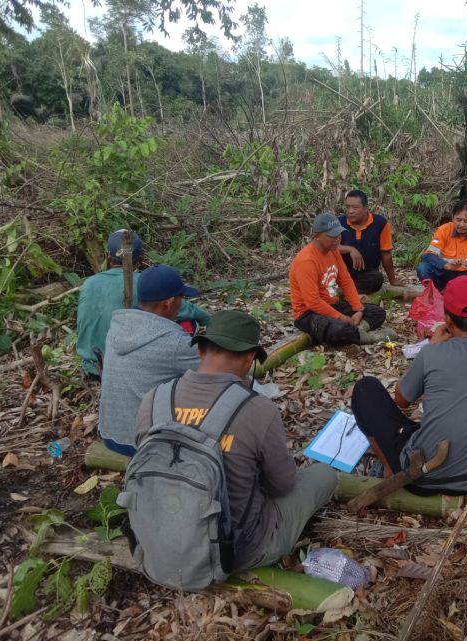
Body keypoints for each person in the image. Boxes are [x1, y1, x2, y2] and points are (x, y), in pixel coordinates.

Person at [135, 310, 337, 570]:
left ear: (200, 351)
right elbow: (283, 485)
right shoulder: (257, 409)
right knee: (325, 474)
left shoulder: (153, 399)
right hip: (236, 552)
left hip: (161, 541)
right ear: (250, 358)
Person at [350, 275, 467, 494]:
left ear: (447, 320)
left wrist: (431, 346)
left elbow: (401, 400)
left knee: (365, 389)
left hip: (424, 476)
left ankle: (390, 470)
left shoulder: (433, 353)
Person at [99, 264, 202, 456]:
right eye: (181, 298)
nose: (182, 303)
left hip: (111, 435)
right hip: (146, 443)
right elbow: (218, 369)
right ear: (169, 302)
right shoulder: (175, 343)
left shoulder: (117, 328)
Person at [77, 229, 210, 378]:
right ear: (140, 258)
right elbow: (191, 311)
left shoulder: (89, 283)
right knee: (189, 322)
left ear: (107, 256)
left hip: (91, 365)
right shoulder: (145, 283)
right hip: (124, 368)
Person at [290, 212, 392, 346]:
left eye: (338, 234)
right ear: (317, 236)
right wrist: (341, 317)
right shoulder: (307, 261)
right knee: (337, 329)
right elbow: (312, 302)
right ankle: (366, 337)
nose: (337, 239)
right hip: (308, 313)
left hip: (333, 303)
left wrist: (358, 309)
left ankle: (357, 331)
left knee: (376, 312)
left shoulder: (333, 251)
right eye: (332, 236)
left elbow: (346, 281)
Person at [337, 189, 402, 294]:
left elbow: (386, 253)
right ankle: (348, 290)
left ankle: (347, 292)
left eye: (355, 208)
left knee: (377, 279)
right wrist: (350, 249)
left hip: (367, 273)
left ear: (366, 208)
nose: (350, 211)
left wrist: (392, 280)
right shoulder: (339, 222)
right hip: (342, 272)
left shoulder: (380, 223)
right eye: (347, 207)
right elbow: (330, 247)